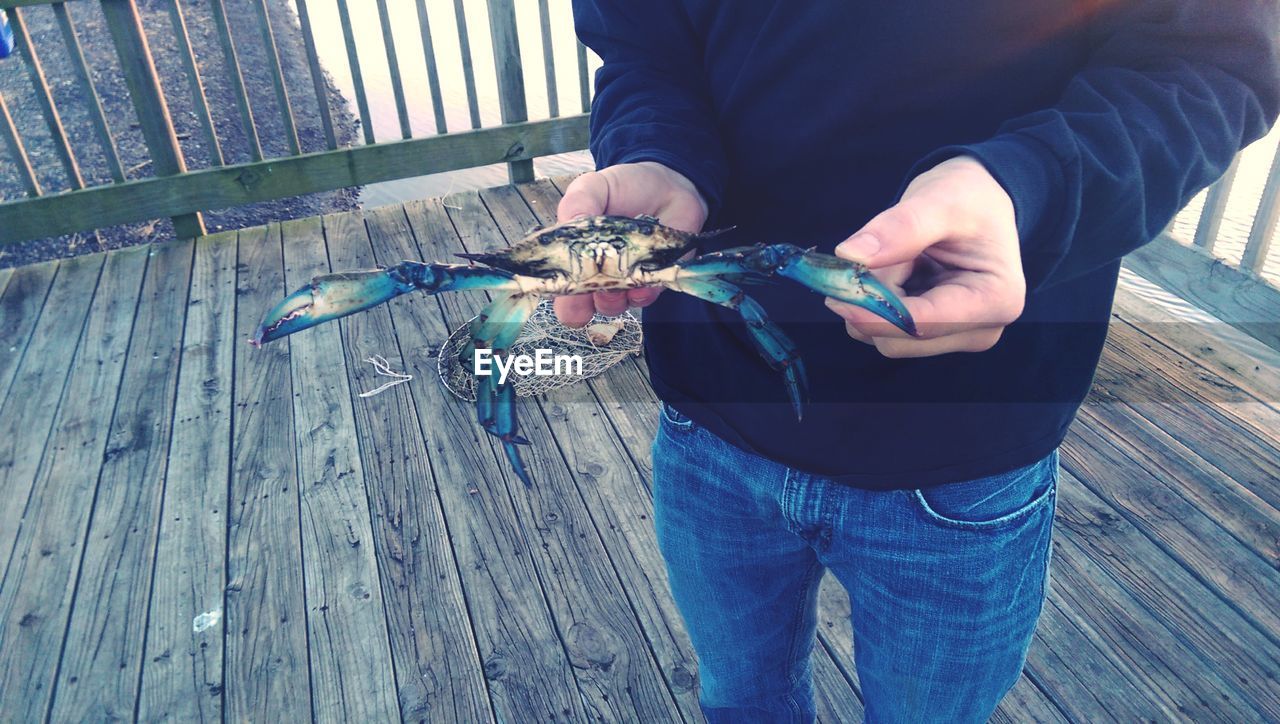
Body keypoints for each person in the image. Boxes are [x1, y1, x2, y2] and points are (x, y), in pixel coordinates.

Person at [558, 1, 1280, 722]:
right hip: (709, 418)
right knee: (740, 704)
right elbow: (643, 48)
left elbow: (1208, 63)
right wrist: (657, 154)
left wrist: (1024, 186)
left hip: (965, 445)